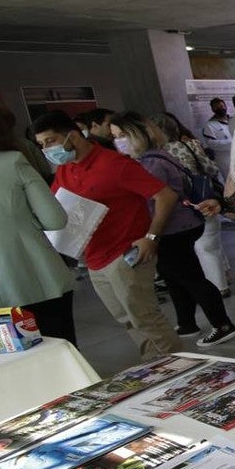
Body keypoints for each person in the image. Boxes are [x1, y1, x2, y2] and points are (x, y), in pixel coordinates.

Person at [32, 111, 183, 360]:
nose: (48, 149)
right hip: (94, 257)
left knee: (144, 316)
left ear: (74, 136)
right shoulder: (66, 170)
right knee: (125, 318)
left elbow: (165, 195)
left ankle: (180, 369)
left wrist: (151, 238)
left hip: (125, 252)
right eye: (42, 145)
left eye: (51, 141)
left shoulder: (114, 164)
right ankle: (156, 365)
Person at [110, 111, 235, 348]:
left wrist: (151, 234)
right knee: (174, 277)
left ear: (138, 134)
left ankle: (222, 325)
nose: (118, 141)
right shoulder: (156, 156)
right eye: (115, 136)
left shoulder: (151, 163)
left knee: (190, 278)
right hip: (179, 225)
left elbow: (160, 200)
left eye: (122, 135)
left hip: (173, 228)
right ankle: (186, 322)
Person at [0, 103, 77, 345]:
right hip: (36, 279)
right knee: (60, 351)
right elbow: (55, 219)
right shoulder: (11, 161)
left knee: (3, 366)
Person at [152, 112, 231, 298]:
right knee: (209, 244)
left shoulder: (154, 157)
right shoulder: (190, 144)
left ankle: (216, 287)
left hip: (176, 208)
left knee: (197, 249)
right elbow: (211, 168)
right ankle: (221, 282)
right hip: (201, 198)